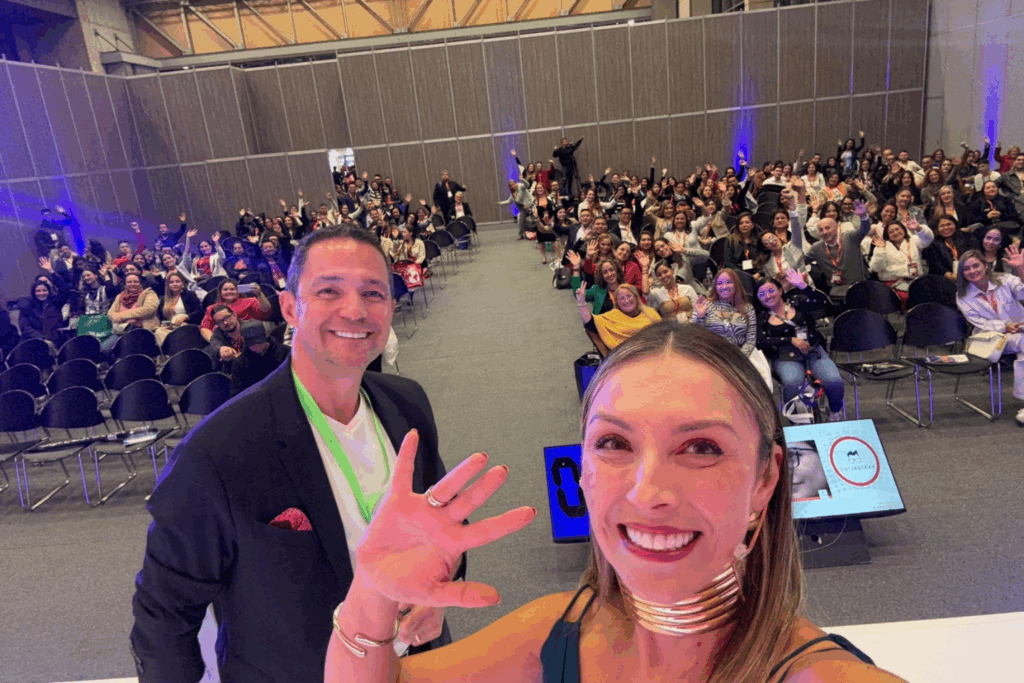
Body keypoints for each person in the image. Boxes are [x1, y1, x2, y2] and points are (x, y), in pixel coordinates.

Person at [325, 322, 906, 683]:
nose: (647, 492)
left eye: (701, 447)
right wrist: (369, 596)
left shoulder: (820, 676)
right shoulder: (554, 636)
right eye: (614, 443)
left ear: (765, 479)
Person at [130, 225, 462, 683]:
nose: (355, 310)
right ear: (290, 307)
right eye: (329, 291)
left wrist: (441, 586)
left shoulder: (408, 404)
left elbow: (445, 529)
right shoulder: (218, 450)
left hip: (421, 666)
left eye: (373, 293)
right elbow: (163, 619)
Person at [756, 270, 845, 421]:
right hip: (784, 355)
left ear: (780, 290)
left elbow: (824, 305)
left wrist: (804, 286)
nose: (768, 296)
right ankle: (798, 422)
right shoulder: (760, 316)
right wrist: (789, 340)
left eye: (771, 290)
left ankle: (835, 412)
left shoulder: (797, 301)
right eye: (762, 293)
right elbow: (761, 341)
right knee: (793, 383)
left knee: (834, 381)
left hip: (813, 351)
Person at [955, 247, 1024, 425]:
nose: (972, 271)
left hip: (1020, 331)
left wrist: (1021, 269)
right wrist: (1005, 326)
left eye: (975, 265)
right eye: (966, 268)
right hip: (991, 338)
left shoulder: (1005, 280)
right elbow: (979, 322)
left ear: (986, 265)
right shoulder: (962, 295)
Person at [806, 200, 872, 300]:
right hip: (836, 291)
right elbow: (801, 261)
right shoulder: (816, 248)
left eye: (828, 228)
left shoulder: (850, 237)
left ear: (836, 227)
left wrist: (863, 217)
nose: (824, 232)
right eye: (821, 230)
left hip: (857, 286)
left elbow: (864, 229)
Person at [576, 283, 660, 353]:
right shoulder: (612, 317)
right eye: (622, 298)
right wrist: (581, 303)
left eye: (629, 296)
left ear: (635, 297)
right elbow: (590, 323)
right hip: (624, 361)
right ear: (617, 302)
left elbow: (662, 336)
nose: (626, 301)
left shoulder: (651, 313)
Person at [198, 279, 272, 342]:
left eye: (232, 289)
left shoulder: (250, 301)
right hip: (224, 341)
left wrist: (259, 294)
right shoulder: (212, 308)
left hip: (249, 338)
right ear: (220, 292)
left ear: (238, 291)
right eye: (225, 290)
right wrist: (216, 344)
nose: (229, 292)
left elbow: (266, 311)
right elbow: (205, 328)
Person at [228, 322, 289, 397]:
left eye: (260, 342)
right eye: (251, 344)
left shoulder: (285, 352)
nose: (256, 346)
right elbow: (237, 395)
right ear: (242, 339)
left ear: (266, 334)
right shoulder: (240, 363)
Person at [154, 272, 204, 346]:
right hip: (170, 327)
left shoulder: (190, 295)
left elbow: (200, 312)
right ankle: (168, 354)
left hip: (186, 325)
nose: (174, 284)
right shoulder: (163, 299)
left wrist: (187, 317)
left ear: (182, 283)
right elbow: (161, 316)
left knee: (182, 328)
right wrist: (165, 323)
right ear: (168, 285)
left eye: (177, 281)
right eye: (171, 282)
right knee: (158, 331)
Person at [108, 272, 160, 337]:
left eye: (135, 282)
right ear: (125, 284)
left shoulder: (149, 293)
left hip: (144, 331)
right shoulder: (120, 296)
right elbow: (110, 314)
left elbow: (149, 309)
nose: (132, 284)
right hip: (120, 331)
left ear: (140, 283)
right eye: (129, 282)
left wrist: (121, 316)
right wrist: (116, 317)